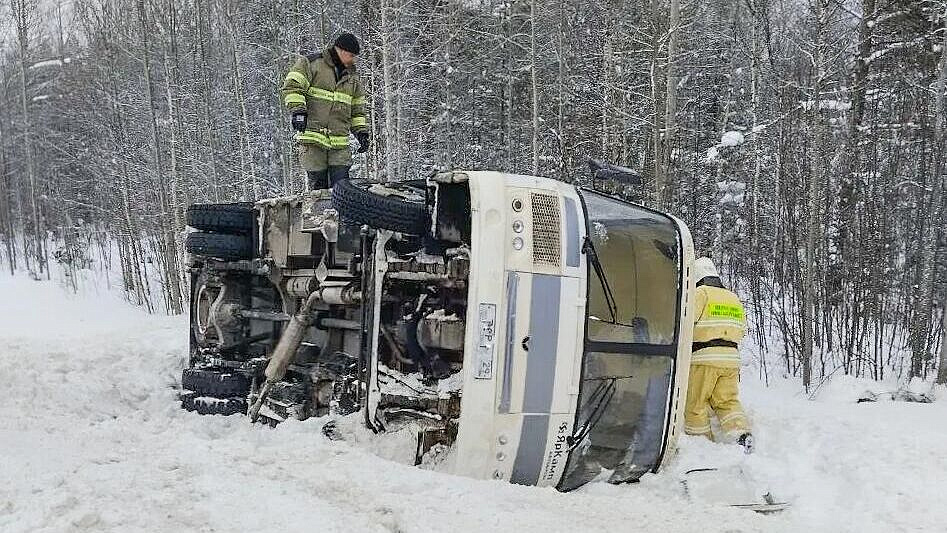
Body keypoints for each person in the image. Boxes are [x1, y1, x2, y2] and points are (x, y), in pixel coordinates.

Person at [280, 33, 369, 190]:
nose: (353, 60)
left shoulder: (353, 78)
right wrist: (299, 111)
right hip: (314, 140)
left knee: (342, 188)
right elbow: (292, 86)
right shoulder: (311, 63)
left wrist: (361, 132)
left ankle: (340, 215)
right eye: (351, 55)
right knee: (319, 190)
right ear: (339, 50)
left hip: (339, 144)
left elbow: (357, 110)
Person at [683, 257, 754, 453]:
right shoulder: (733, 297)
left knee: (695, 404)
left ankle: (701, 446)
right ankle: (741, 434)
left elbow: (686, 323)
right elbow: (742, 330)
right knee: (727, 401)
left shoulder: (700, 293)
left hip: (704, 357)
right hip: (731, 359)